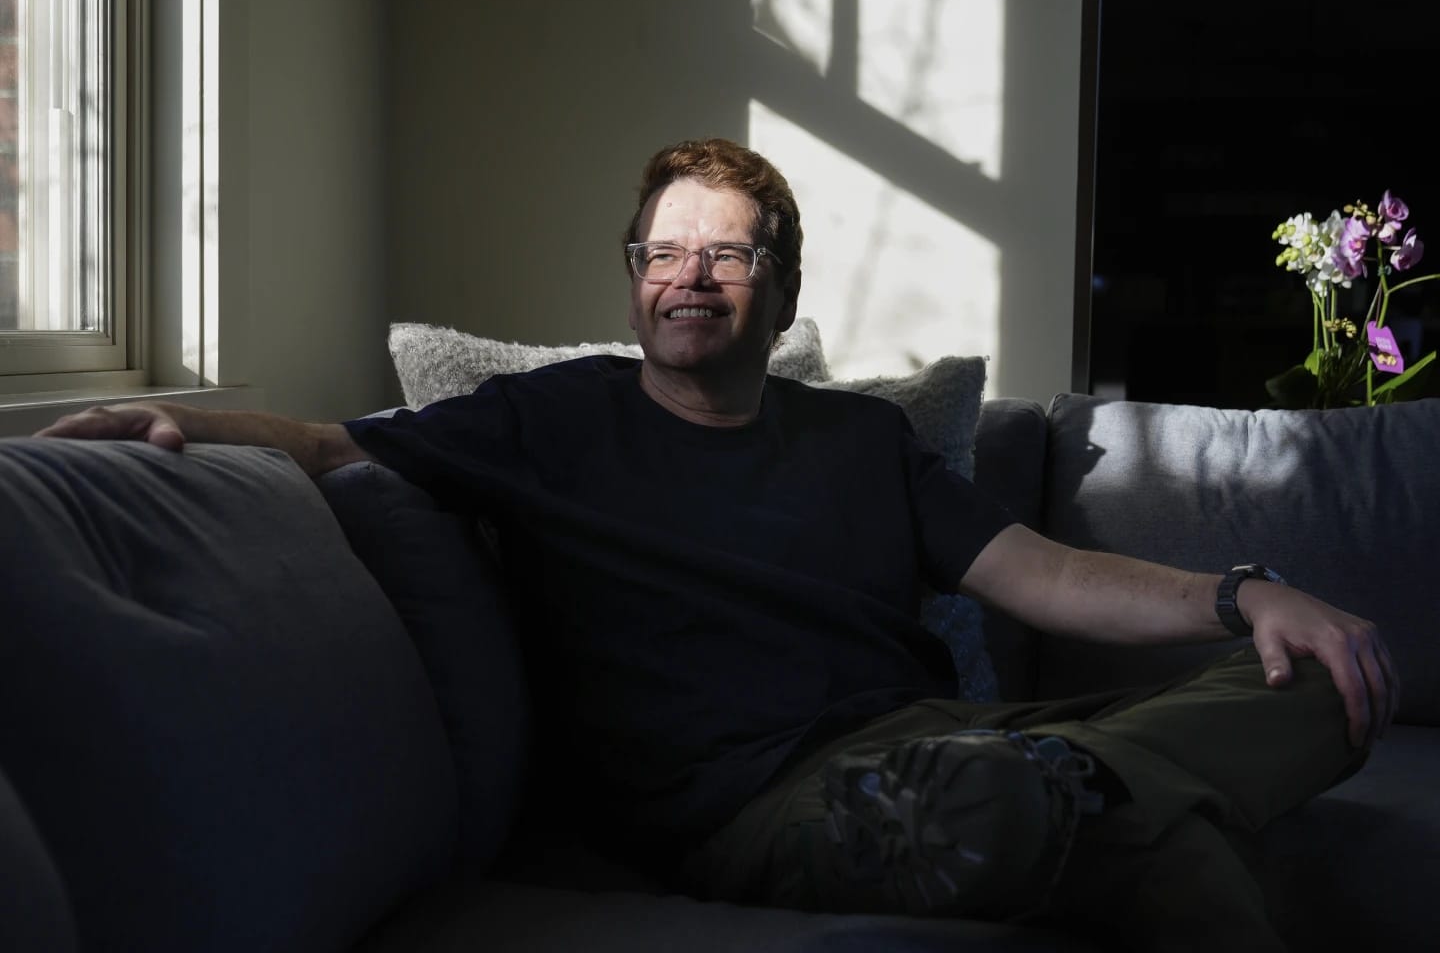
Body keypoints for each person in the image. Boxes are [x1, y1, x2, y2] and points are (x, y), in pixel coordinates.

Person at [38, 137, 1395, 951]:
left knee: (1327, 679)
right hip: (763, 809)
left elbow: (1038, 572)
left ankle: (1093, 780)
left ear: (781, 286)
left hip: (948, 738)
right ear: (633, 276)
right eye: (663, 250)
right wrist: (192, 419)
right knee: (1062, 805)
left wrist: (1243, 596)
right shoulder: (548, 423)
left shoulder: (862, 444)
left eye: (726, 254)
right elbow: (341, 443)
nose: (688, 275)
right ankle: (1096, 789)